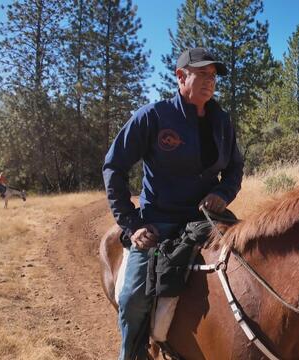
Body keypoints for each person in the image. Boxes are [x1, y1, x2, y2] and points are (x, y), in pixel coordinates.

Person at [102, 47, 244, 360]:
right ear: (180, 76)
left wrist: (223, 194)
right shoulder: (153, 117)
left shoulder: (222, 122)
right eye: (201, 73)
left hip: (208, 219)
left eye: (213, 75)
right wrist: (132, 224)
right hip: (159, 222)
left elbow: (235, 167)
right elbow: (113, 167)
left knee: (250, 261)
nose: (210, 80)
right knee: (133, 298)